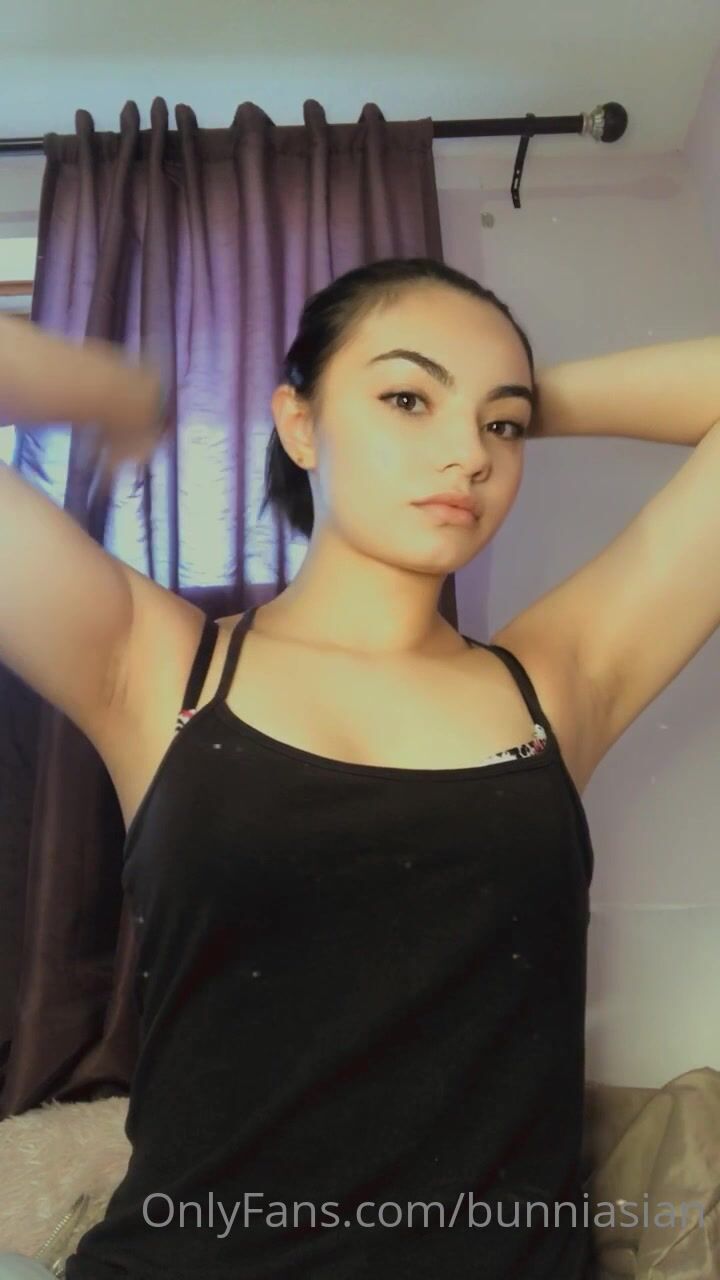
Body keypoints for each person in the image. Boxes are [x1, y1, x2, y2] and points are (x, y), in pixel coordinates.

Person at [0, 259, 597, 1278]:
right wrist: (111, 388)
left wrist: (548, 401)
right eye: (408, 398)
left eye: (502, 425)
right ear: (300, 422)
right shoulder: (156, 666)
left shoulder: (555, 681)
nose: (469, 454)